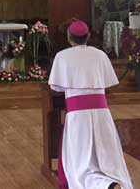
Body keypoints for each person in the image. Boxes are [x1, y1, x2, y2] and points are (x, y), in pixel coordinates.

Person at [48, 20, 133, 189]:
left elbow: (55, 86)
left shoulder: (62, 56)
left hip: (78, 114)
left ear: (69, 38)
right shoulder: (100, 55)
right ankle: (110, 181)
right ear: (88, 37)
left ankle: (104, 185)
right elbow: (108, 82)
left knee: (80, 162)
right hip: (101, 113)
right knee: (107, 156)